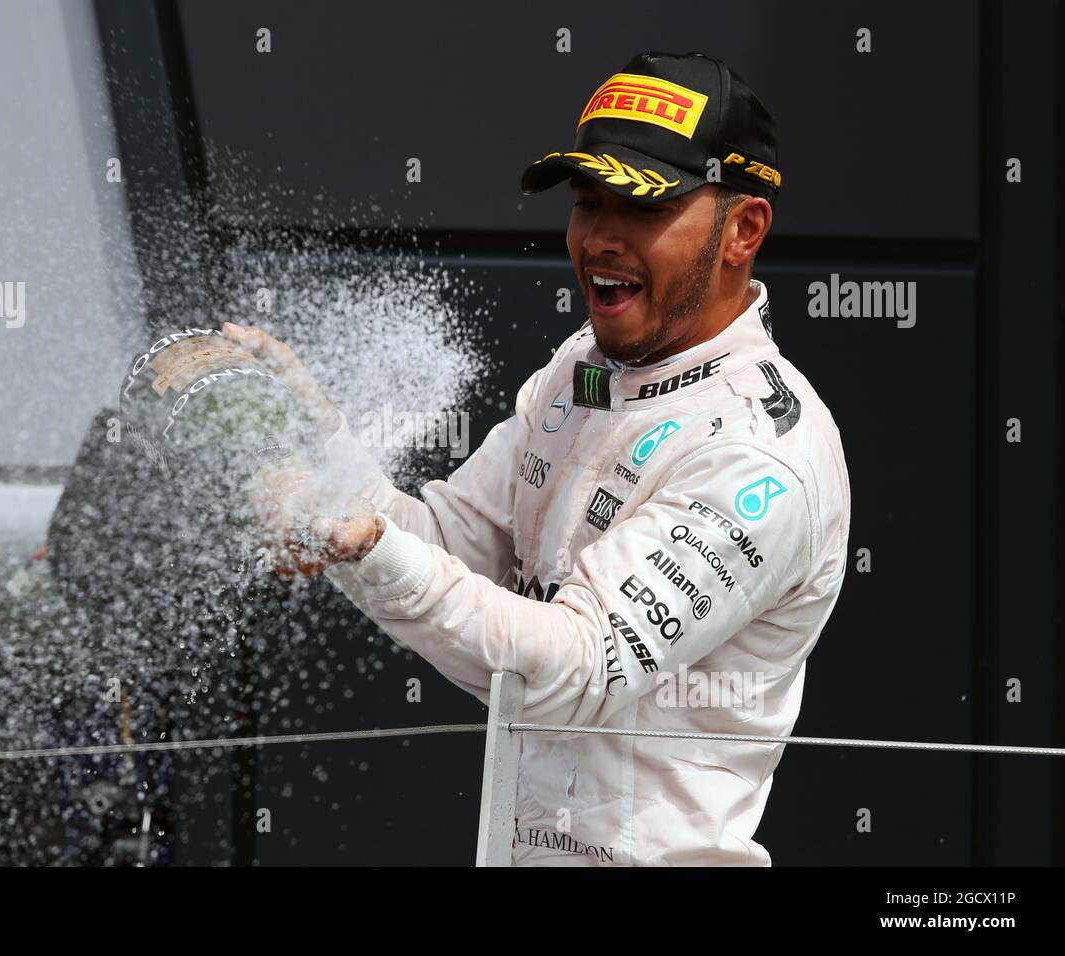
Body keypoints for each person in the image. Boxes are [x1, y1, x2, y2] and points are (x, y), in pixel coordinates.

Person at [233, 51, 851, 866]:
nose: (600, 238)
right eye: (588, 203)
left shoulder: (762, 453)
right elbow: (454, 546)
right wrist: (323, 455)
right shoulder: (583, 368)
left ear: (744, 230)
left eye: (643, 208)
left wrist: (369, 549)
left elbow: (574, 666)